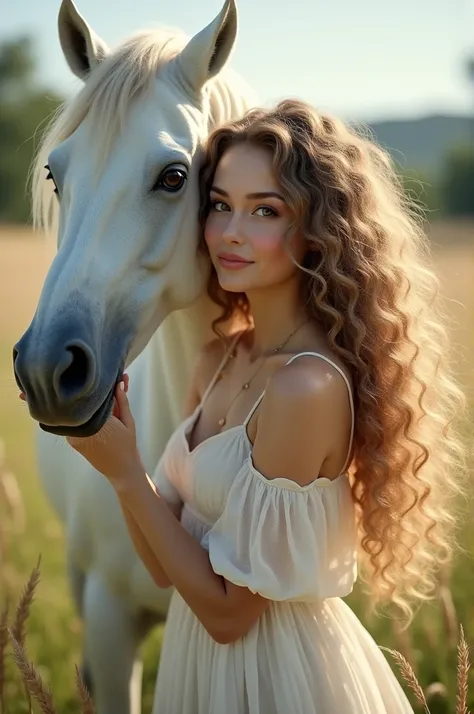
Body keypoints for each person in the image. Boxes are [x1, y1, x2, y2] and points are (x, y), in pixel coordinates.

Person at [59, 99, 466, 713]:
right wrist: (127, 468)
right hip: (196, 672)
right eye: (220, 204)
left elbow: (230, 614)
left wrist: (124, 472)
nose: (230, 233)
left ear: (320, 228)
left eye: (265, 211)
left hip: (283, 682)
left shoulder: (307, 389)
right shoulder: (218, 359)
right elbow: (166, 567)